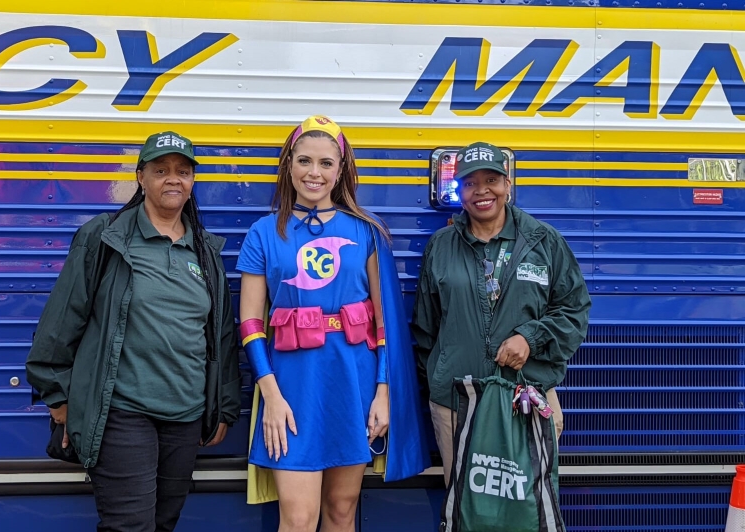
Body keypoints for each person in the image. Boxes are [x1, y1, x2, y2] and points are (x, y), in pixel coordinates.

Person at [25, 131, 241, 532]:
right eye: (160, 170)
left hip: (185, 415)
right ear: (141, 177)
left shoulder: (205, 250)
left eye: (182, 171)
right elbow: (60, 320)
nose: (172, 179)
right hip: (122, 413)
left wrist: (224, 405)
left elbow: (220, 336)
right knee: (130, 527)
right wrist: (57, 396)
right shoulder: (106, 237)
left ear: (193, 181)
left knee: (162, 524)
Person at [237, 115, 429, 532]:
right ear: (289, 164)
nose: (314, 173)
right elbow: (250, 323)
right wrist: (270, 395)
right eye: (305, 161)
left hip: (353, 383)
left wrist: (384, 392)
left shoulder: (367, 230)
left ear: (341, 169)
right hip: (291, 389)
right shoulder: (263, 232)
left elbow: (385, 325)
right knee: (299, 519)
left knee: (342, 514)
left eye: (326, 163)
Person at [412, 141, 591, 485]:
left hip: (525, 399)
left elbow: (574, 310)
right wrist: (438, 378)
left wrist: (531, 338)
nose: (482, 191)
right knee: (466, 508)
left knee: (525, 508)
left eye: (491, 180)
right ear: (459, 190)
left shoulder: (543, 241)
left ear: (507, 184)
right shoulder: (442, 244)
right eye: (469, 182)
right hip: (456, 402)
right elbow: (426, 326)